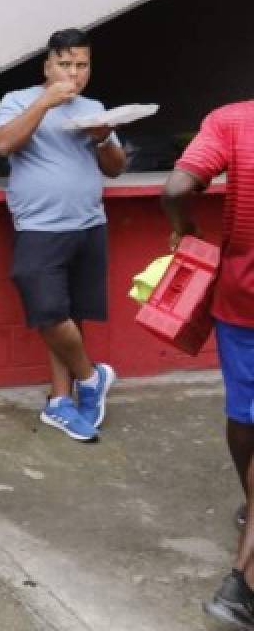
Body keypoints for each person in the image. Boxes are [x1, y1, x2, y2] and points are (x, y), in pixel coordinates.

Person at [0, 28, 126, 442]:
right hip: (39, 226)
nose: (73, 72)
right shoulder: (16, 100)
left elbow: (116, 167)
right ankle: (91, 378)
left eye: (81, 65)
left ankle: (62, 401)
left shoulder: (94, 108)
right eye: (64, 64)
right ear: (47, 66)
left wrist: (103, 137)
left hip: (88, 222)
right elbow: (3, 144)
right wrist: (45, 102)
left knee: (72, 315)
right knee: (49, 312)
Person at [161, 100, 254, 628]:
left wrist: (185, 228)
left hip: (239, 297)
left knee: (245, 414)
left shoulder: (231, 120)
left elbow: (174, 187)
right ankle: (242, 587)